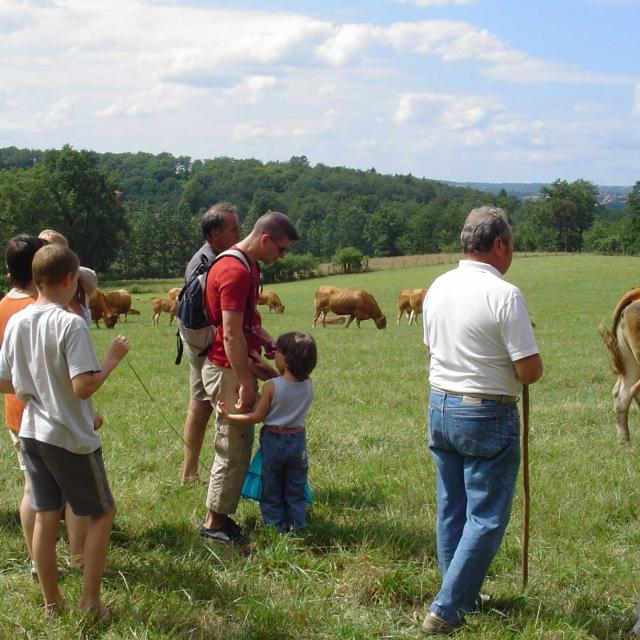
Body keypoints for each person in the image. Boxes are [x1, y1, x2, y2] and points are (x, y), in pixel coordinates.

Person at [420, 206, 543, 635]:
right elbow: (529, 371)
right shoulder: (505, 294)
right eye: (511, 246)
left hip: (440, 405)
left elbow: (430, 350)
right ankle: (447, 607)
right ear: (498, 245)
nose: (512, 254)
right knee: (487, 515)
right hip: (486, 411)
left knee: (452, 507)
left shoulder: (437, 286)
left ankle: (460, 592)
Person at [0, 244, 130, 617]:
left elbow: (4, 380)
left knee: (45, 514)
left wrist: (37, 387)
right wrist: (111, 360)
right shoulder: (71, 323)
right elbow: (83, 387)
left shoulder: (18, 320)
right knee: (102, 513)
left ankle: (51, 603)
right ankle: (90, 603)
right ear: (71, 279)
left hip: (31, 432)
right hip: (69, 437)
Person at [200, 210, 299, 544]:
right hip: (227, 369)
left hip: (236, 365)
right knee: (231, 446)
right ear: (265, 239)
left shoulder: (249, 266)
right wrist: (244, 381)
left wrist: (270, 343)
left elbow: (248, 324)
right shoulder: (234, 270)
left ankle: (220, 518)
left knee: (239, 446)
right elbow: (230, 334)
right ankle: (213, 525)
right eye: (281, 249)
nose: (282, 256)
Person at [216, 331, 317, 532]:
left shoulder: (271, 386)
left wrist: (228, 416)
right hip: (297, 441)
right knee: (295, 485)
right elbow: (286, 382)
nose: (274, 353)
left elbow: (256, 417)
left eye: (278, 351)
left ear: (287, 359)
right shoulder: (307, 385)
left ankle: (275, 526)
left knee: (271, 486)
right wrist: (262, 362)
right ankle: (297, 525)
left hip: (274, 442)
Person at [179, 202, 241, 485]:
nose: (239, 233)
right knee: (215, 404)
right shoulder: (213, 263)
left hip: (199, 342)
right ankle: (214, 476)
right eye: (233, 228)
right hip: (208, 344)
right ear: (215, 234)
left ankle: (189, 473)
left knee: (200, 405)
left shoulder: (205, 258)